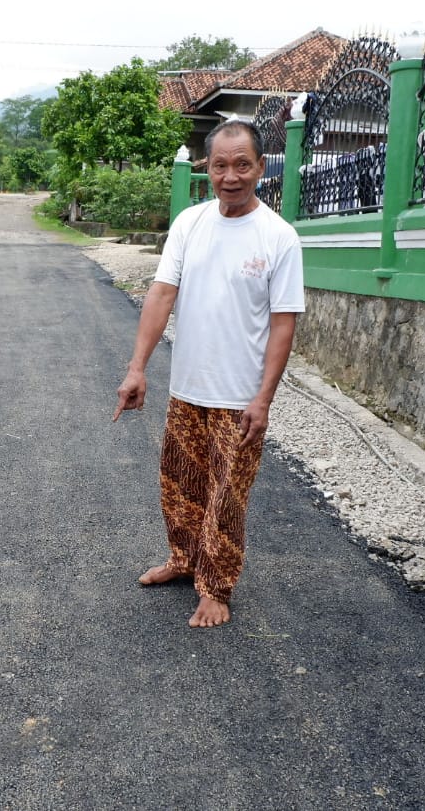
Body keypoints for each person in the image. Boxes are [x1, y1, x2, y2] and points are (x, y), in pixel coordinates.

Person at [113, 120, 305, 628]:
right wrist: (138, 369)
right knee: (179, 485)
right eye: (221, 165)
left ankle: (216, 588)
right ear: (207, 169)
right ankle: (183, 560)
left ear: (261, 168)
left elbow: (284, 325)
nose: (231, 176)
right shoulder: (190, 224)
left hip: (239, 397)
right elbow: (160, 295)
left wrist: (263, 399)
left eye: (243, 164)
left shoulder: (279, 238)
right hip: (187, 388)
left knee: (226, 495)